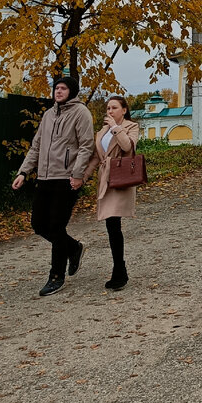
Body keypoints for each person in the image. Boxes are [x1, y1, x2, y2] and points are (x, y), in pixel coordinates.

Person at [12, 75, 95, 296]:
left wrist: (78, 175)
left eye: (63, 88)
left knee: (57, 227)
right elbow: (36, 146)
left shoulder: (81, 113)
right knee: (39, 224)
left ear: (72, 91)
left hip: (67, 179)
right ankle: (73, 247)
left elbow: (87, 146)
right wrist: (23, 172)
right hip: (44, 178)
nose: (58, 91)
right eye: (56, 88)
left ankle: (56, 276)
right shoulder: (48, 115)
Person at [84, 95, 141, 291]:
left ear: (124, 110)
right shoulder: (102, 131)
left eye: (114, 108)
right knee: (111, 225)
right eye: (108, 108)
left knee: (113, 223)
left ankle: (119, 269)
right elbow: (95, 156)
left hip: (120, 178)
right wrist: (83, 177)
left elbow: (128, 147)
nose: (110, 111)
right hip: (105, 179)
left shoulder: (131, 126)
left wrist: (116, 128)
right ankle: (120, 269)